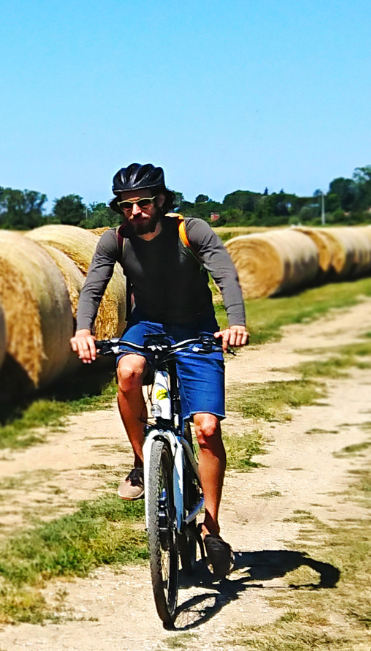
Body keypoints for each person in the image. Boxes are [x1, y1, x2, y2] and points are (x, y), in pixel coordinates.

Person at [70, 163, 248, 576]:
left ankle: (212, 528)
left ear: (162, 200)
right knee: (128, 371)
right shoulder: (114, 240)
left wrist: (235, 321)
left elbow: (225, 273)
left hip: (196, 326)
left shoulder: (192, 230)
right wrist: (83, 330)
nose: (136, 211)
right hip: (146, 323)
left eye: (144, 202)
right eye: (127, 205)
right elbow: (94, 285)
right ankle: (141, 461)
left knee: (205, 428)